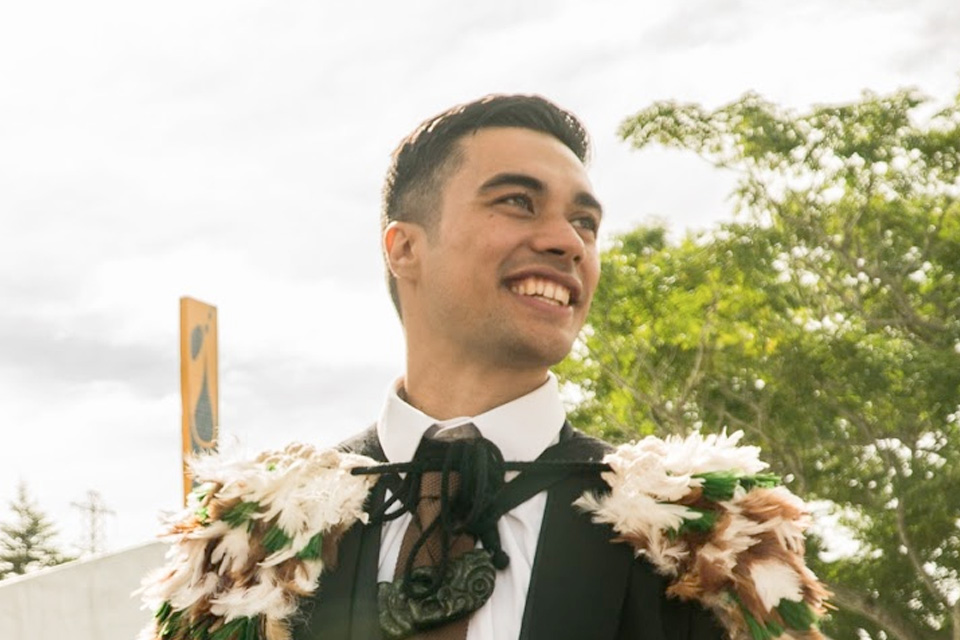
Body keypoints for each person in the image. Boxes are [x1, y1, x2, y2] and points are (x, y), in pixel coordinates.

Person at [139, 96, 827, 640]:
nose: (567, 242)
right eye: (518, 202)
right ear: (404, 248)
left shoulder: (704, 537)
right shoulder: (252, 538)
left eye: (585, 223)